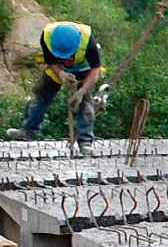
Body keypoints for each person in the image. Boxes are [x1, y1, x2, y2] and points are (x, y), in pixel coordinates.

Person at [6, 21, 103, 156]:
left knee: (87, 103)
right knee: (40, 93)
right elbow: (51, 62)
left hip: (85, 69)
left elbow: (95, 70)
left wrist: (82, 91)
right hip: (60, 69)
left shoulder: (88, 41)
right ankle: (29, 131)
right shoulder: (47, 38)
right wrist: (62, 74)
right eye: (64, 57)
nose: (68, 60)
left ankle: (85, 142)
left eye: (70, 56)